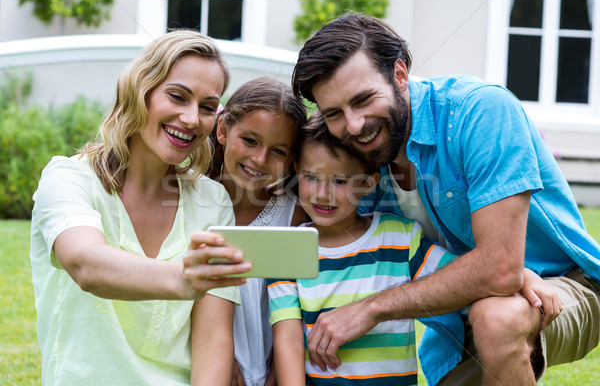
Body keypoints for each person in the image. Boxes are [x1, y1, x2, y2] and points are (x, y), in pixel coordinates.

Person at [291, 12, 599, 386]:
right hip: (458, 316)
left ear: (400, 74)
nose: (354, 125)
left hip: (563, 285)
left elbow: (499, 270)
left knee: (497, 315)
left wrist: (372, 308)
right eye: (335, 113)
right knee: (490, 309)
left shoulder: (479, 111)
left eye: (363, 99)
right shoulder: (354, 154)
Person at [30, 30, 252, 386]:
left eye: (208, 107)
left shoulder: (212, 201)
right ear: (140, 90)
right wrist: (184, 278)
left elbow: (213, 339)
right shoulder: (69, 179)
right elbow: (85, 264)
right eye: (177, 96)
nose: (192, 119)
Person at [267, 115, 556, 385]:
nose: (322, 193)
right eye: (311, 177)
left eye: (340, 181)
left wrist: (524, 275)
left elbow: (469, 277)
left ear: (369, 184)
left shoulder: (400, 238)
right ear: (296, 171)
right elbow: (288, 339)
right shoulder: (287, 251)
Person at [208, 76, 307, 385]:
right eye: (250, 141)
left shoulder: (294, 214)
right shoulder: (189, 202)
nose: (260, 159)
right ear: (223, 129)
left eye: (278, 151)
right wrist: (218, 360)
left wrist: (284, 367)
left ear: (292, 159)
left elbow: (302, 301)